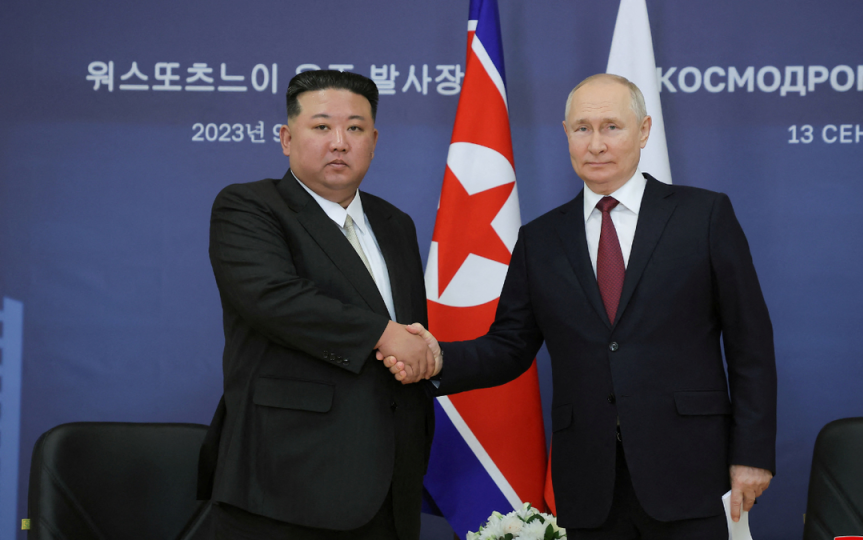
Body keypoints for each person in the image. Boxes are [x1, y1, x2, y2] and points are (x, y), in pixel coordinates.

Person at [383, 73, 777, 539]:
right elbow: (510, 346)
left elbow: (750, 343)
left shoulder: (703, 216)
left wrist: (752, 453)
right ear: (566, 134)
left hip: (690, 471)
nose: (596, 144)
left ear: (644, 131)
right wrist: (438, 358)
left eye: (612, 127)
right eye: (582, 129)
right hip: (590, 482)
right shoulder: (540, 239)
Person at [197, 69, 438, 540]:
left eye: (355, 128)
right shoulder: (250, 206)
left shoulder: (396, 223)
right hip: (289, 479)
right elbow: (275, 298)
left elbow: (409, 335)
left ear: (374, 141)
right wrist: (383, 335)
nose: (339, 142)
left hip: (392, 484)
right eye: (322, 126)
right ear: (287, 139)